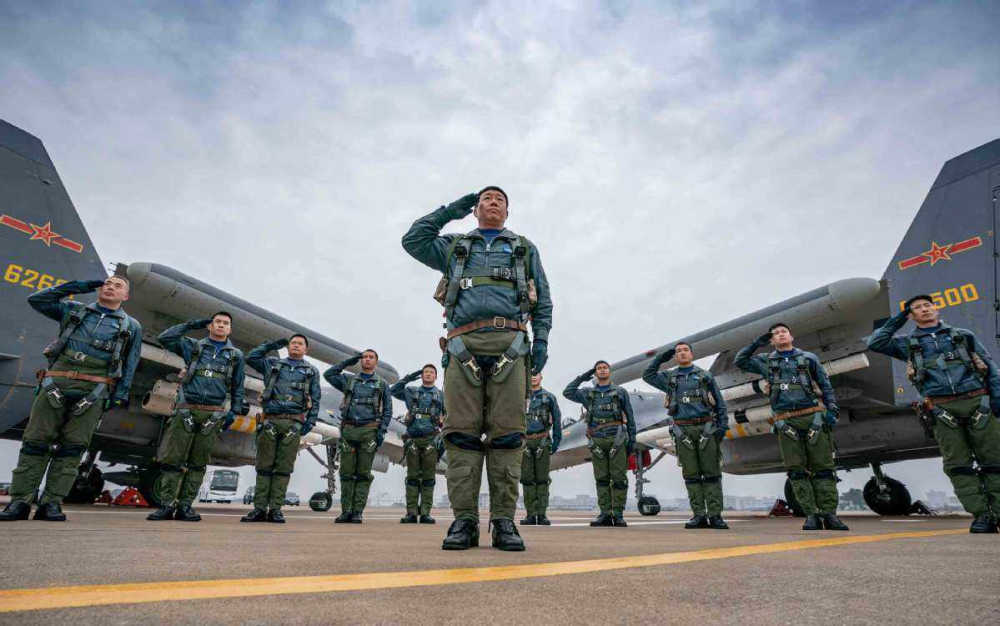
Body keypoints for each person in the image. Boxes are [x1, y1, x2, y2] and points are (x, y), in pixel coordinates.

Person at [402, 186, 552, 552]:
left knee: (508, 435)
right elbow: (414, 239)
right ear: (476, 208)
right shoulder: (456, 246)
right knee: (460, 434)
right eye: (486, 198)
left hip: (512, 347)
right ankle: (464, 521)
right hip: (462, 345)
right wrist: (452, 208)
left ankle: (503, 522)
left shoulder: (523, 248)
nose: (494, 202)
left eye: (500, 199)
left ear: (508, 211)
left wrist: (542, 341)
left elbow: (543, 300)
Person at [0, 276, 141, 522]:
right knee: (35, 442)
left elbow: (131, 362)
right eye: (107, 283)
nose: (110, 287)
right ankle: (19, 502)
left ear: (125, 297)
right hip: (56, 381)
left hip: (94, 389)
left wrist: (120, 394)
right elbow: (38, 300)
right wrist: (81, 285)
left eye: (118, 286)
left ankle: (51, 503)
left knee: (72, 448)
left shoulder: (131, 326)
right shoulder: (73, 310)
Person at [867, 295, 1000, 533]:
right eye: (917, 308)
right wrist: (899, 318)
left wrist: (997, 400)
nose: (924, 309)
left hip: (977, 403)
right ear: (911, 315)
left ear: (936, 309)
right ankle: (981, 515)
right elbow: (876, 342)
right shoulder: (908, 343)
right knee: (958, 464)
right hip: (942, 409)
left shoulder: (961, 336)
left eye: (928, 305)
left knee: (995, 460)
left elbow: (990, 367)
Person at [735, 323, 849, 531]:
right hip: (785, 421)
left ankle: (830, 515)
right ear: (771, 340)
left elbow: (825, 385)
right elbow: (740, 361)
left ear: (791, 336)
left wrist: (831, 409)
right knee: (796, 471)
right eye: (775, 334)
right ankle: (811, 515)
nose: (780, 334)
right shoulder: (766, 362)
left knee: (824, 469)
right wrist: (755, 344)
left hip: (813, 416)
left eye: (783, 331)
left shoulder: (808, 358)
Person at [148, 313, 246, 522]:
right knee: (173, 460)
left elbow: (238, 386)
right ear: (210, 326)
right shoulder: (193, 346)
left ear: (230, 329)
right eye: (217, 322)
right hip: (185, 409)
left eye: (226, 323)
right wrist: (192, 323)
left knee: (198, 463)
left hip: (213, 414)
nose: (221, 325)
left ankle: (185, 506)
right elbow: (165, 338)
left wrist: (234, 412)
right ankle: (166, 505)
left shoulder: (235, 355)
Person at [643, 342, 729, 529]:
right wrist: (660, 359)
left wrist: (721, 429)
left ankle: (715, 516)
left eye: (685, 350)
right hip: (683, 431)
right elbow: (648, 375)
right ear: (675, 357)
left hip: (706, 428)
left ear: (691, 354)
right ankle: (698, 515)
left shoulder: (705, 376)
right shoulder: (669, 378)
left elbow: (720, 405)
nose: (681, 353)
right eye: (678, 351)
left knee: (712, 474)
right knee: (691, 475)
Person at [241, 335, 320, 524]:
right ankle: (259, 509)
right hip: (270, 421)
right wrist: (272, 344)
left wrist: (308, 424)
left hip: (293, 424)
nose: (295, 346)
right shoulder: (273, 364)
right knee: (263, 467)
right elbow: (251, 358)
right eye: (293, 343)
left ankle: (275, 509)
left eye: (300, 344)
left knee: (283, 469)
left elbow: (315, 400)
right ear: (288, 347)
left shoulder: (311, 371)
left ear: (305, 350)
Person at [563, 361, 636, 528]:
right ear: (595, 373)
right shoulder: (589, 393)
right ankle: (605, 513)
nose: (602, 370)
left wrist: (631, 441)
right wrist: (583, 377)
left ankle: (617, 514)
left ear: (609, 371)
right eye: (598, 369)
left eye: (604, 368)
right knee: (601, 478)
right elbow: (568, 392)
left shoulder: (620, 392)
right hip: (597, 439)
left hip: (616, 437)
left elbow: (630, 418)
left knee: (618, 478)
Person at [325, 349, 392, 524]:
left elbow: (387, 411)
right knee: (346, 473)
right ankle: (346, 511)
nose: (367, 359)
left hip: (369, 431)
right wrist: (350, 361)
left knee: (363, 474)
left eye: (371, 357)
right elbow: (329, 374)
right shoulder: (349, 380)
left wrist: (381, 432)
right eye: (364, 357)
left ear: (376, 362)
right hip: (349, 431)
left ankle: (357, 512)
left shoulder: (382, 384)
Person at [390, 364, 445, 524]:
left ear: (435, 376)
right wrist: (408, 377)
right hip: (413, 439)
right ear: (421, 376)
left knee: (428, 478)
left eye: (431, 373)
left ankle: (426, 513)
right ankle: (411, 513)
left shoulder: (441, 395)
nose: (428, 374)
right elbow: (394, 390)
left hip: (431, 440)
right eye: (425, 372)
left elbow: (448, 415)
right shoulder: (411, 392)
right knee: (412, 478)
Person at [520, 373, 562, 526]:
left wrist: (557, 440)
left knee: (542, 479)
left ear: (541, 377)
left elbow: (557, 419)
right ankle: (531, 514)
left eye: (536, 374)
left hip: (543, 440)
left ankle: (542, 514)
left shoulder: (549, 397)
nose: (533, 377)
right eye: (530, 374)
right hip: (524, 441)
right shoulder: (521, 396)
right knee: (527, 479)